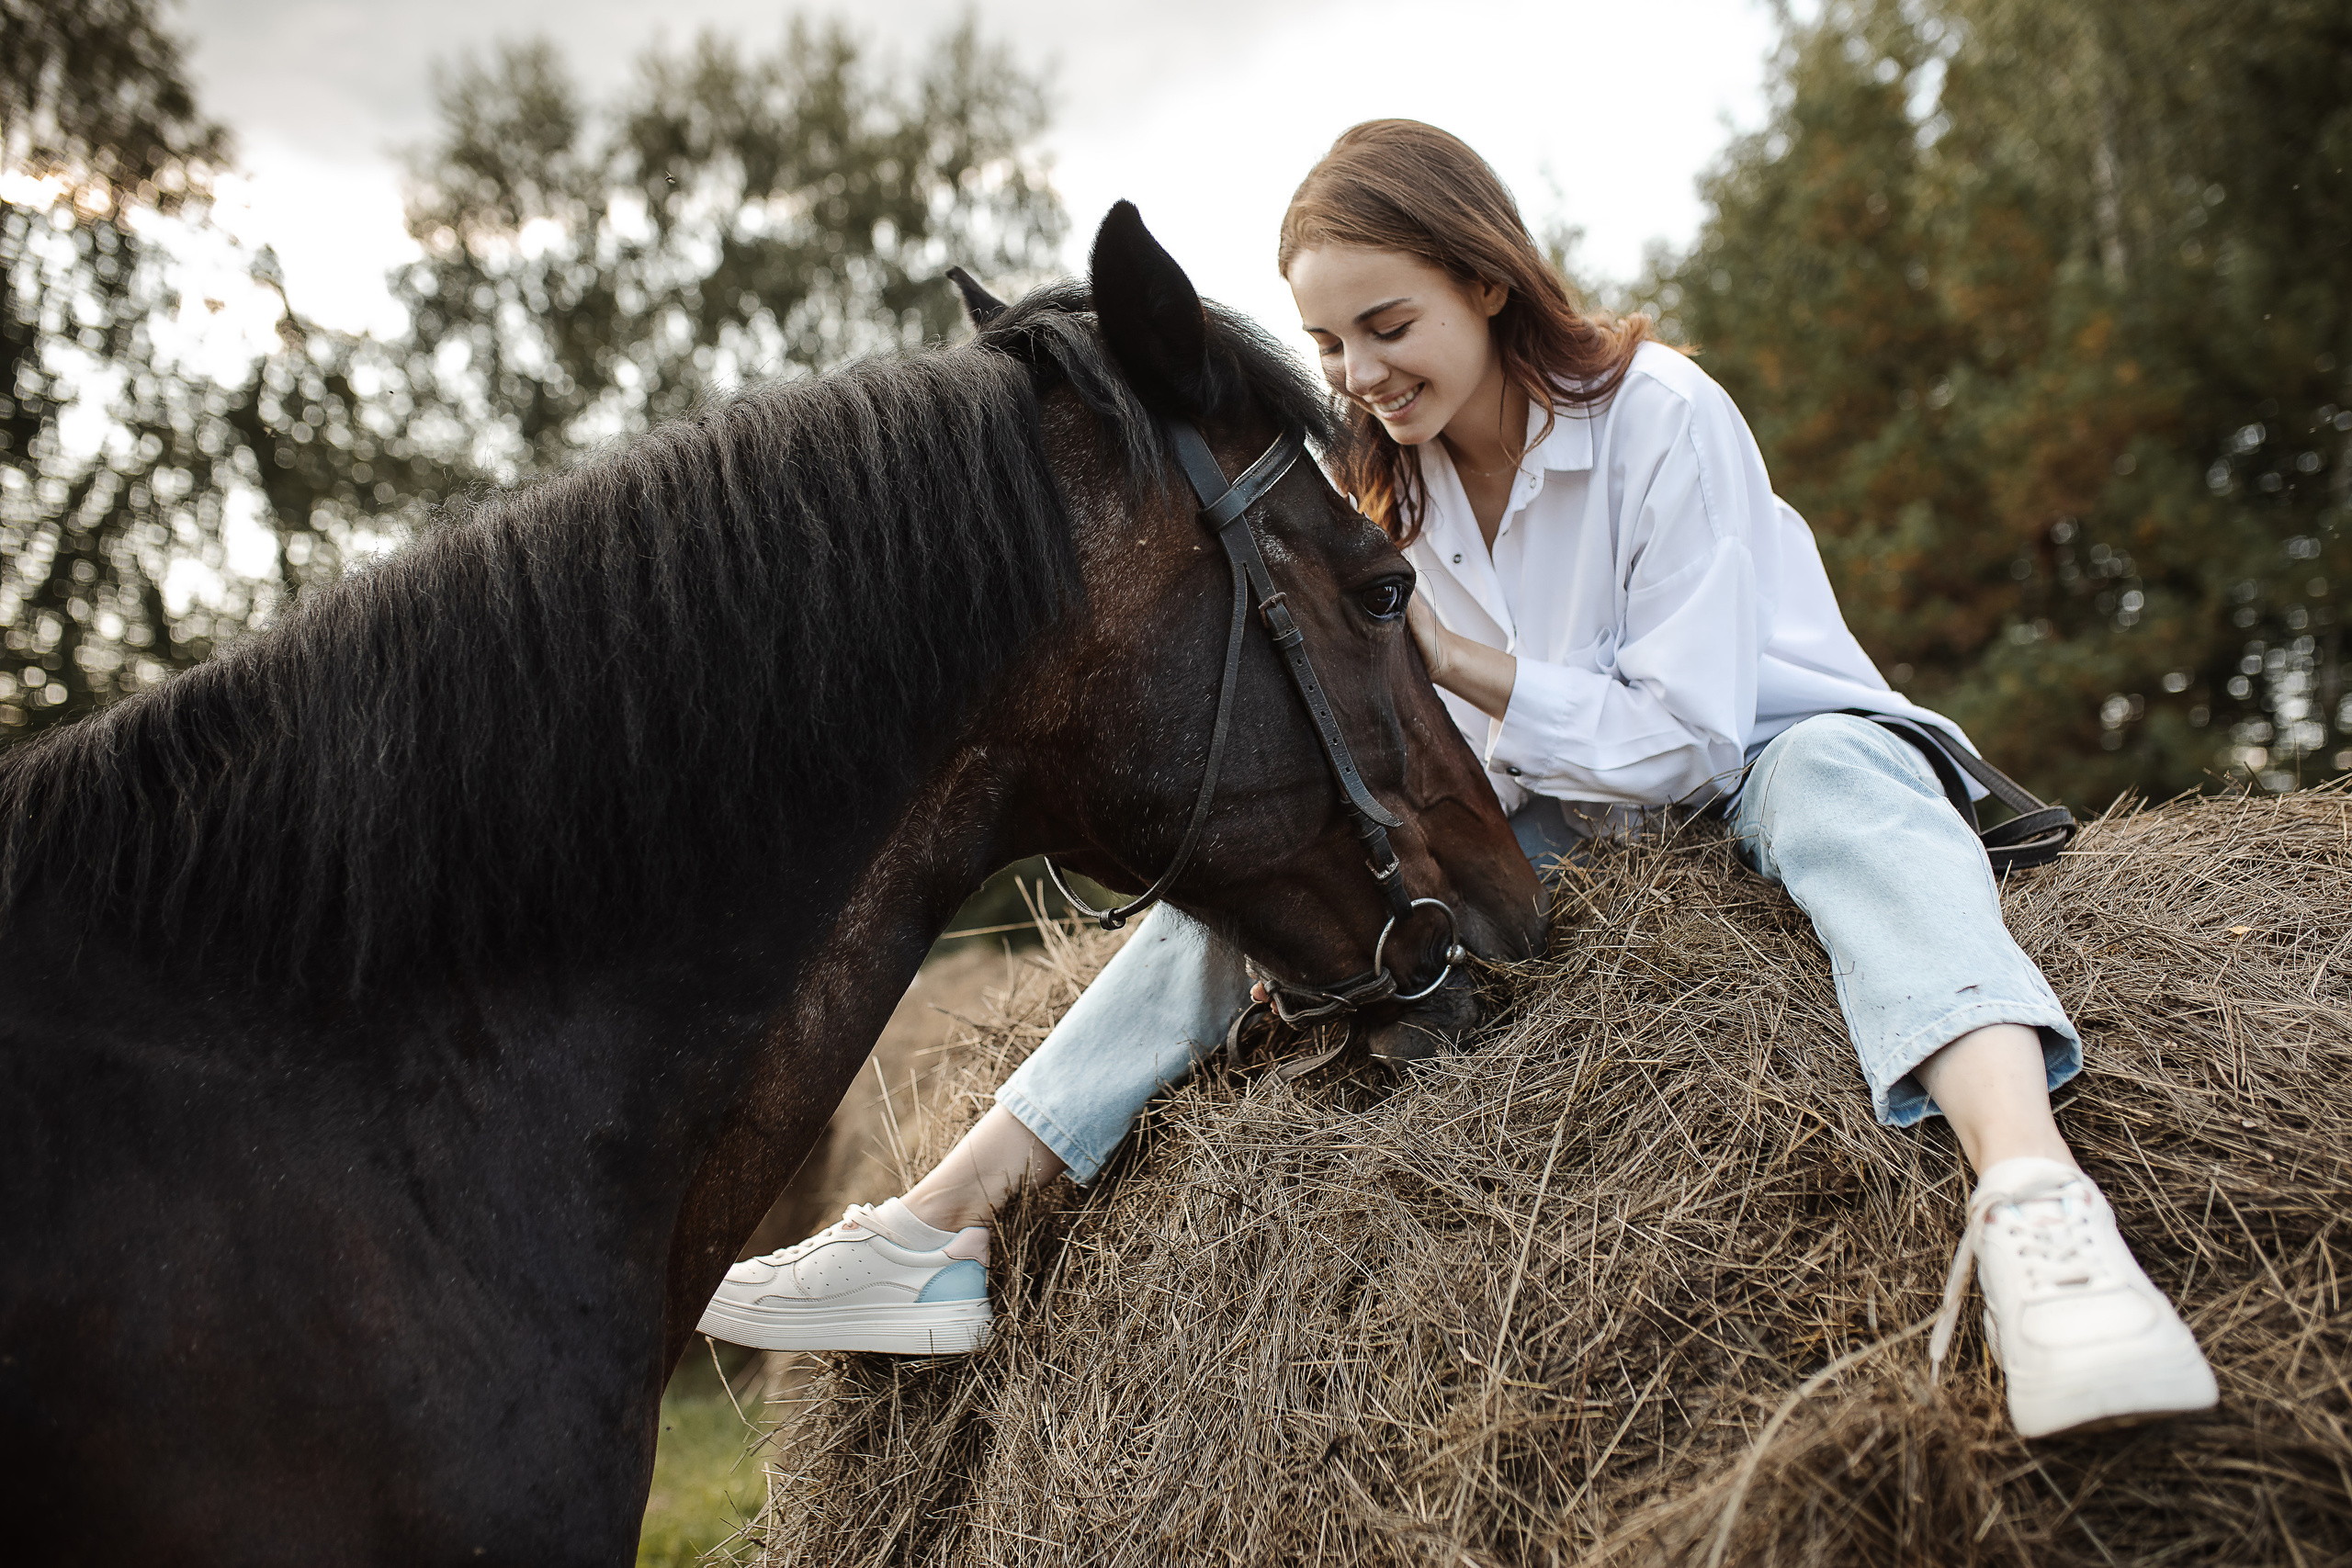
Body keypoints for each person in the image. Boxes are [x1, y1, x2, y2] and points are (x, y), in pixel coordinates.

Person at [696, 121, 2217, 1439]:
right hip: (1557, 819)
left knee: (1842, 794)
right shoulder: (1380, 490)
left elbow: (1692, 735)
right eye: (1335, 342)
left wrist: (1454, 655)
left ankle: (2034, 1205)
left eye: (1390, 323)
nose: (1363, 371)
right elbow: (1429, 768)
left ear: (1486, 281)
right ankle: (937, 1226)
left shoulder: (1660, 415)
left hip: (1761, 748)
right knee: (1245, 887)